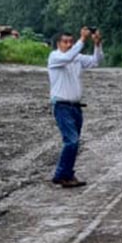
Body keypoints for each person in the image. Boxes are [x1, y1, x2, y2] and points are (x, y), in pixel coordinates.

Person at [47, 26, 103, 188]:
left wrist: (97, 45)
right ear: (58, 44)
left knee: (74, 142)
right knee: (71, 141)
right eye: (65, 42)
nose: (69, 44)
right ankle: (60, 174)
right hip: (62, 106)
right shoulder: (55, 57)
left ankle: (67, 175)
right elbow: (68, 57)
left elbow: (95, 62)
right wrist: (83, 40)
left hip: (76, 107)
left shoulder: (76, 58)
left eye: (71, 41)